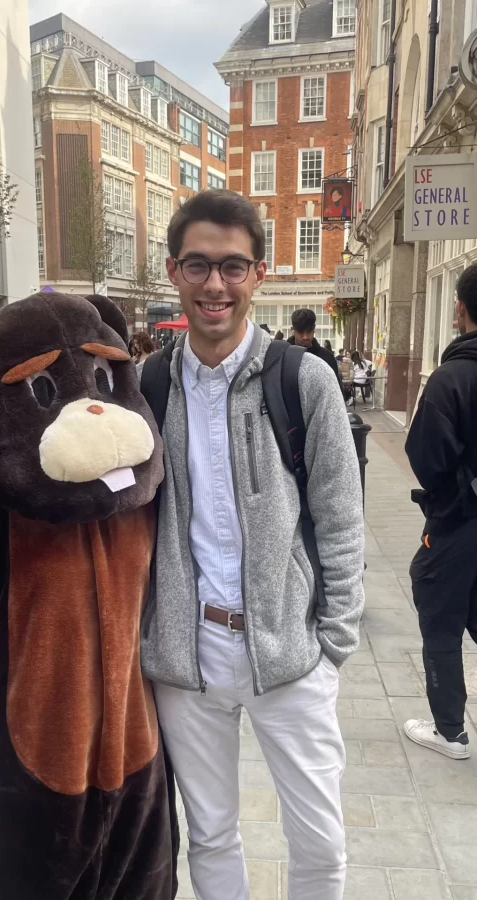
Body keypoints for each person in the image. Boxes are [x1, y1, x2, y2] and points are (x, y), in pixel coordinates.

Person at [141, 189, 365, 900]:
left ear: (258, 275)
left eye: (233, 267)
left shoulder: (302, 380)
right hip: (187, 658)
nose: (215, 285)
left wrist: (330, 644)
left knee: (319, 844)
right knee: (208, 836)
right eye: (199, 265)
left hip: (289, 654)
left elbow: (339, 517)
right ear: (173, 271)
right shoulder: (145, 385)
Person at [403, 262, 477, 761]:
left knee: (440, 616)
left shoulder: (452, 378)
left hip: (460, 521)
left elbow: (427, 457)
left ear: (460, 309)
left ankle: (451, 731)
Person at [287, 309, 341, 382]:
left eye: (309, 331)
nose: (305, 337)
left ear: (314, 329)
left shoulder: (327, 357)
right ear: (292, 330)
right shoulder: (283, 356)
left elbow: (336, 388)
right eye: (301, 332)